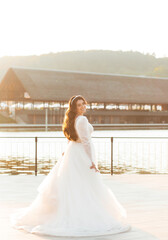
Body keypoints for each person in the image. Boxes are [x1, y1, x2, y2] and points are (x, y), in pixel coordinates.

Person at [10, 95, 131, 237]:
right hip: (80, 154)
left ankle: (75, 211)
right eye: (79, 105)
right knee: (85, 185)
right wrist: (92, 161)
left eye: (83, 104)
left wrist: (66, 153)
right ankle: (82, 215)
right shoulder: (82, 120)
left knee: (73, 184)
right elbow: (85, 142)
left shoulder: (72, 119)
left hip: (73, 152)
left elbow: (71, 139)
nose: (82, 107)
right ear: (74, 108)